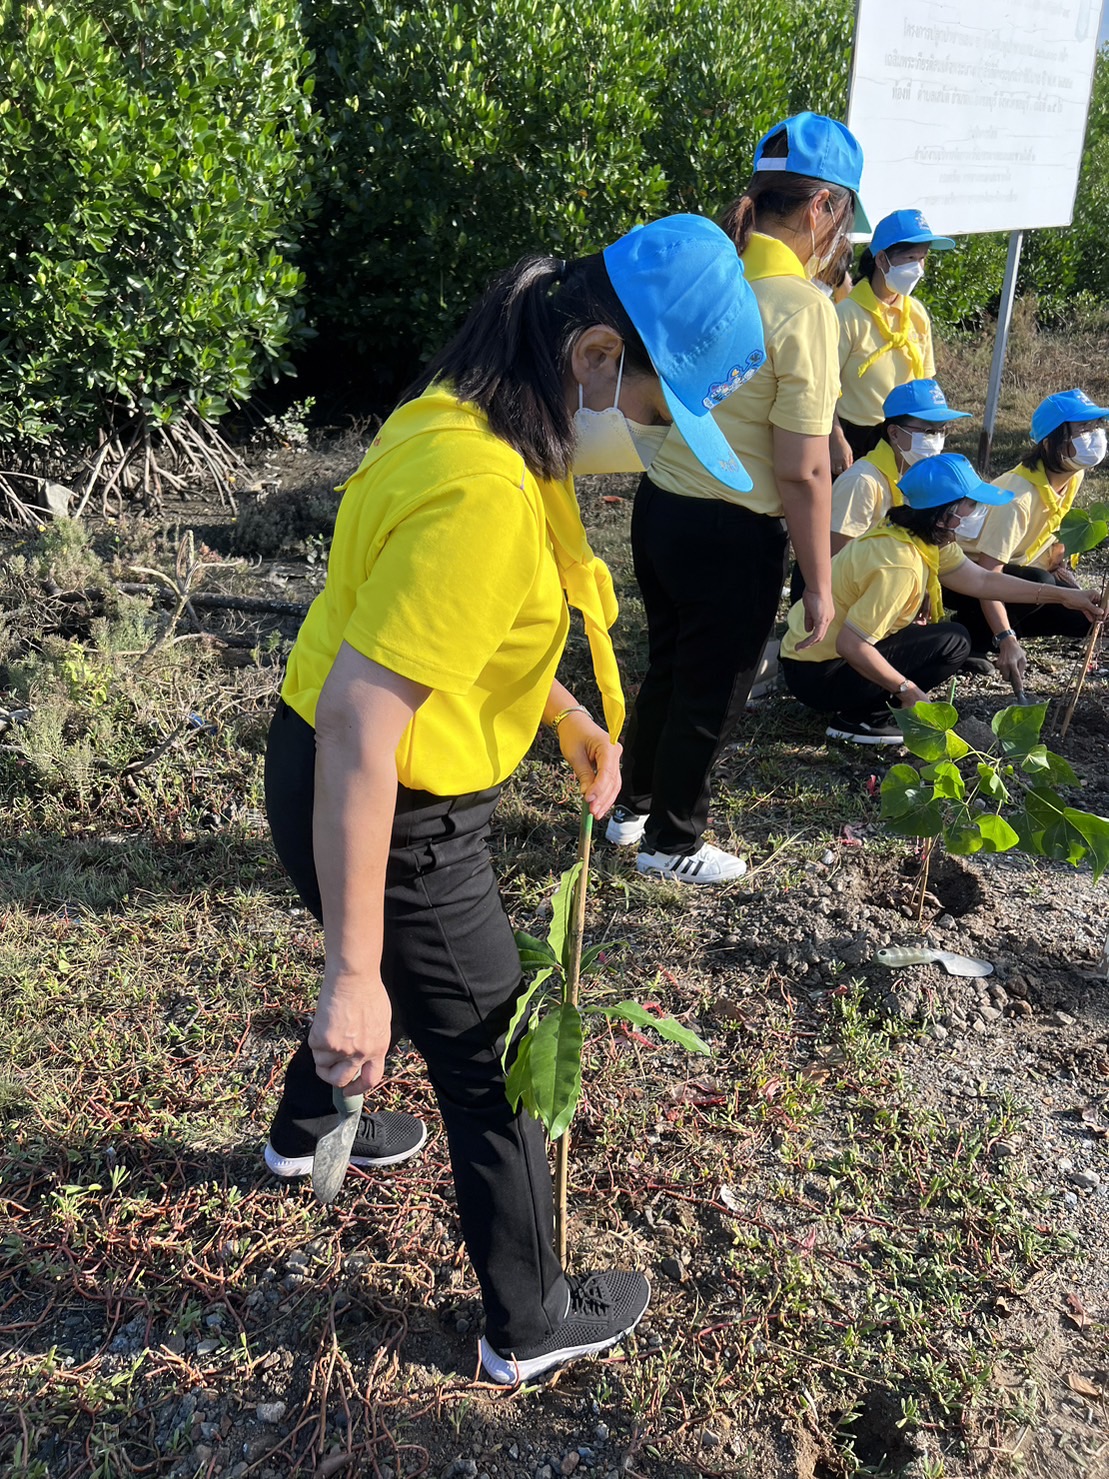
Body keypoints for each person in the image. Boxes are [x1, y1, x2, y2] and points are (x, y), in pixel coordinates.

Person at [261, 215, 767, 1387]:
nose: (643, 435)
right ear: (595, 356)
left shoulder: (461, 415)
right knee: (495, 1055)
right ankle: (529, 1322)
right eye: (649, 406)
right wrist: (344, 976)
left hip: (321, 770)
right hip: (392, 804)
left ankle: (303, 1135)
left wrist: (568, 717)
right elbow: (365, 721)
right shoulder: (485, 491)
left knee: (404, 975)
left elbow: (438, 629)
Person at [607, 112, 867, 883]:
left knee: (667, 666)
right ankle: (672, 841)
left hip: (660, 512)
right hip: (732, 530)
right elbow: (802, 470)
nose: (840, 238)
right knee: (712, 689)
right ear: (821, 206)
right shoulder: (803, 308)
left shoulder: (707, 275)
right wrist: (819, 585)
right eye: (842, 217)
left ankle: (629, 807)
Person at [780, 454, 1103, 743]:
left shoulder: (915, 535)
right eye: (971, 505)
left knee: (951, 638)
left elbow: (982, 580)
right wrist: (909, 691)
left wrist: (1064, 596)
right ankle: (862, 719)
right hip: (819, 674)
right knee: (953, 642)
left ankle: (868, 704)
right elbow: (851, 645)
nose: (977, 512)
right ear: (943, 514)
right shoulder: (900, 563)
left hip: (810, 660)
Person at [948, 388, 1109, 688]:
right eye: (1082, 429)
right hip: (962, 573)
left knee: (1081, 619)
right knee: (1040, 583)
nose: (1094, 435)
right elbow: (986, 577)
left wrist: (1071, 588)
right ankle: (975, 635)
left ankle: (995, 626)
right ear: (1050, 442)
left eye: (1096, 426)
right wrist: (1006, 638)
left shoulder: (1073, 474)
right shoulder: (1017, 497)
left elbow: (1053, 535)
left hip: (1008, 568)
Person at [831, 209, 955, 475]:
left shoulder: (917, 314)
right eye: (910, 258)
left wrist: (931, 432)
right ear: (881, 259)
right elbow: (823, 387)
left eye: (922, 259)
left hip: (907, 434)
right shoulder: (847, 315)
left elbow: (928, 379)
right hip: (856, 436)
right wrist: (835, 437)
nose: (918, 268)